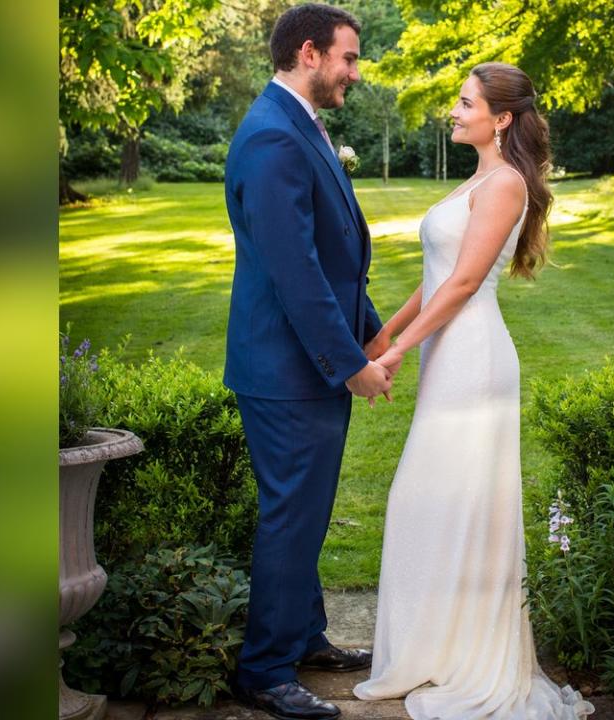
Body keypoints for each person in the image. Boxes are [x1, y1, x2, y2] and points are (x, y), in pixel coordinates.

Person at [352, 63, 596, 720]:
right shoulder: (481, 179)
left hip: (474, 360)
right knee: (431, 504)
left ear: (502, 117)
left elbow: (463, 287)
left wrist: (398, 352)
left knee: (435, 503)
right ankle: (434, 651)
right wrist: (387, 333)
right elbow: (439, 278)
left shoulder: (507, 183)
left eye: (465, 103)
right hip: (448, 355)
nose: (454, 112)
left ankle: (465, 659)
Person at [222, 4, 395, 719]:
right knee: (291, 516)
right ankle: (264, 670)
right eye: (349, 58)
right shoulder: (272, 137)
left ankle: (304, 636)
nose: (355, 72)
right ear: (309, 52)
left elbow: (330, 255)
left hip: (303, 367)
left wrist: (374, 329)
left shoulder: (297, 125)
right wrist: (349, 361)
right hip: (288, 371)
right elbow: (294, 274)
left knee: (307, 512)